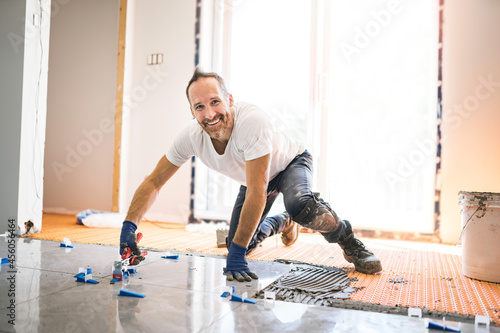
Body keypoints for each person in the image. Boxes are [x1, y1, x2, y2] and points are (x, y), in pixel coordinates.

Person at [119, 67, 382, 282]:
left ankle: (348, 240)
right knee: (242, 241)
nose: (209, 114)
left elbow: (258, 190)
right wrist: (129, 225)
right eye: (199, 107)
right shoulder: (190, 136)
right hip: (255, 177)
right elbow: (154, 181)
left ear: (229, 100)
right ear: (192, 111)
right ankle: (285, 222)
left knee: (299, 205)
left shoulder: (252, 122)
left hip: (289, 163)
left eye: (215, 102)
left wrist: (237, 254)